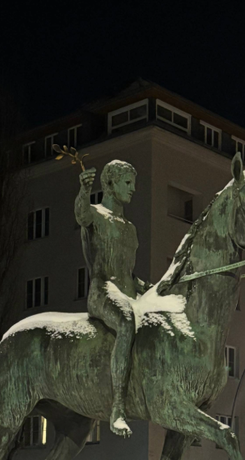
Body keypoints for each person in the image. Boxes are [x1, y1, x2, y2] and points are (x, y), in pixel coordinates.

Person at [76, 159, 148, 436]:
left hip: (128, 293)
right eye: (127, 183)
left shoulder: (130, 228)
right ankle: (118, 407)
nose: (133, 189)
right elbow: (81, 215)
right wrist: (84, 190)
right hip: (103, 291)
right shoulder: (95, 214)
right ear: (109, 183)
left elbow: (128, 273)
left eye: (133, 183)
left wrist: (150, 288)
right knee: (127, 322)